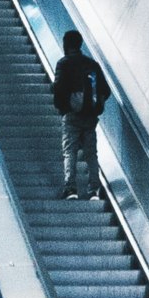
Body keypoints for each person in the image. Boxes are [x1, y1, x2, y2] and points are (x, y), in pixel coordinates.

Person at [52, 30, 111, 200]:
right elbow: (105, 90)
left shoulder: (64, 63)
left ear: (66, 45)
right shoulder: (92, 64)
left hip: (72, 115)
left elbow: (58, 88)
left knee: (70, 152)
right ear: (80, 44)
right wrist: (94, 105)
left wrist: (63, 107)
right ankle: (95, 189)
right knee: (91, 153)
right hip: (90, 116)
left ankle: (71, 189)